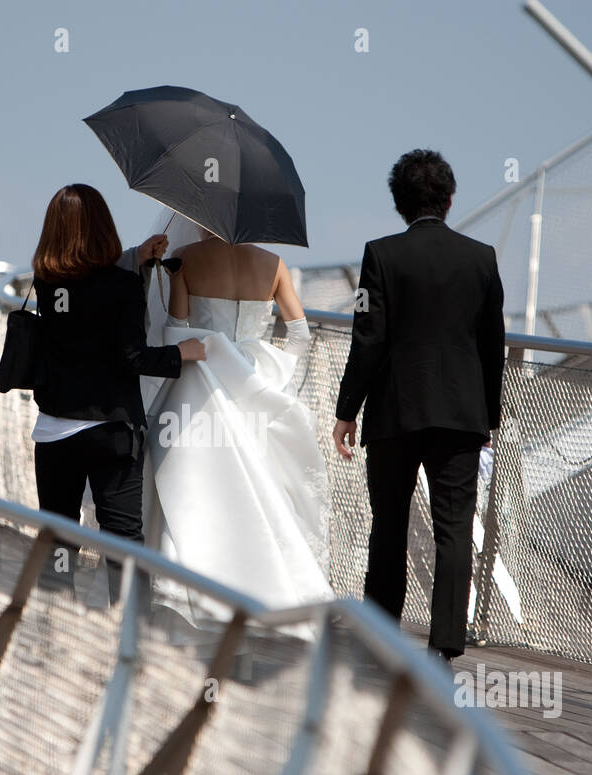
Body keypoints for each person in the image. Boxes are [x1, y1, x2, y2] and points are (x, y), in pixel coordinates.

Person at [333, 149, 505, 661]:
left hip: (394, 413)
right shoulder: (482, 258)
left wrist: (347, 409)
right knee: (455, 527)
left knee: (388, 523)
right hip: (460, 415)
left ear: (398, 203)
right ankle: (446, 641)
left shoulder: (380, 255)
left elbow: (368, 339)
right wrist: (488, 417)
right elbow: (490, 345)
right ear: (449, 199)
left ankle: (381, 632)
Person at [143, 211, 333, 635]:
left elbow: (176, 333)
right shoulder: (274, 264)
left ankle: (190, 600)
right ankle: (258, 601)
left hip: (202, 387)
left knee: (198, 490)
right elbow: (300, 335)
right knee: (257, 491)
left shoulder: (185, 258)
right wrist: (264, 369)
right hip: (254, 389)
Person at [29, 184, 204, 597]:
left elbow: (82, 296)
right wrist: (181, 353)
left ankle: (51, 638)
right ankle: (132, 647)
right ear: (103, 227)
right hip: (111, 431)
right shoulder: (122, 287)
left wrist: (136, 258)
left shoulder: (47, 285)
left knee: (57, 538)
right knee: (123, 541)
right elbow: (134, 358)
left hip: (55, 432)